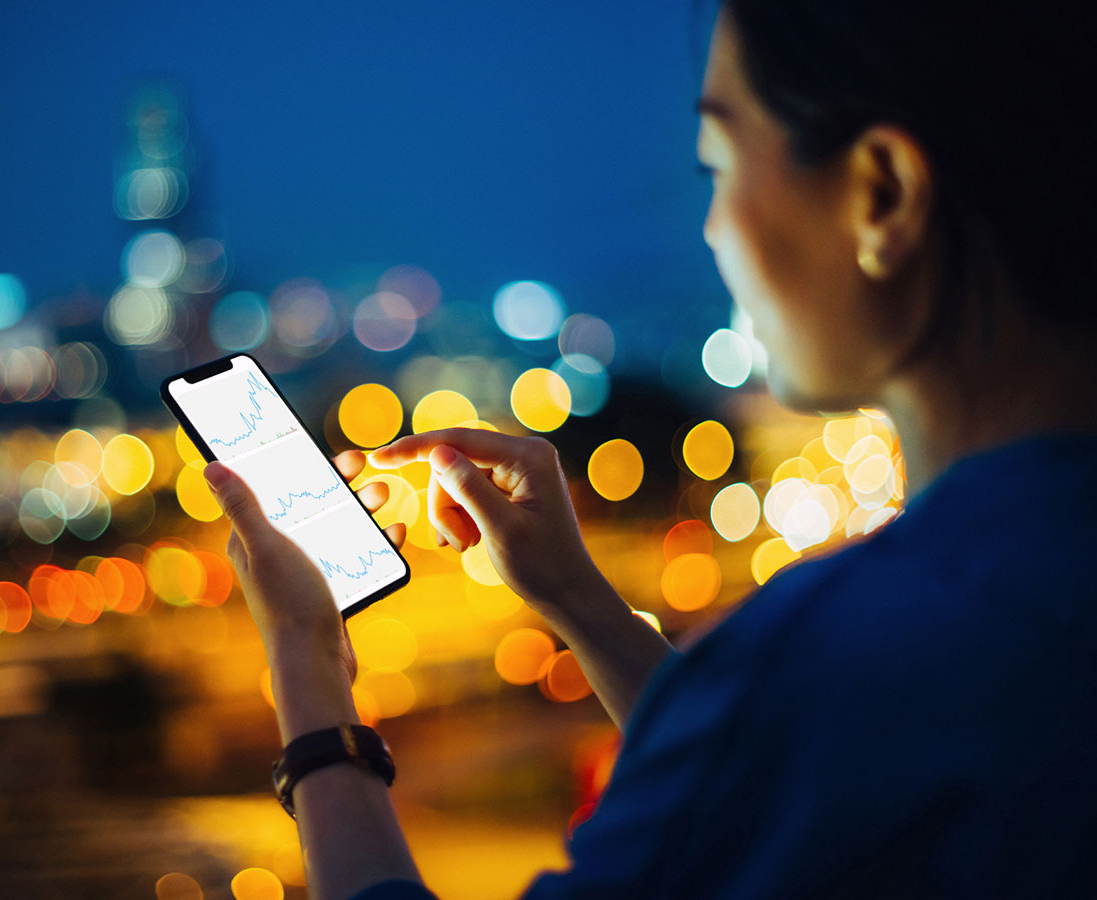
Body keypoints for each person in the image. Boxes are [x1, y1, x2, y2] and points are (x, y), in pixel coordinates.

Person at [201, 0, 1097, 896]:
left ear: (884, 194)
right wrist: (575, 597)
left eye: (717, 163)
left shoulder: (853, 649)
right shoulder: (1021, 596)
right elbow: (772, 787)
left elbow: (780, 750)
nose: (710, 228)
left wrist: (309, 674)